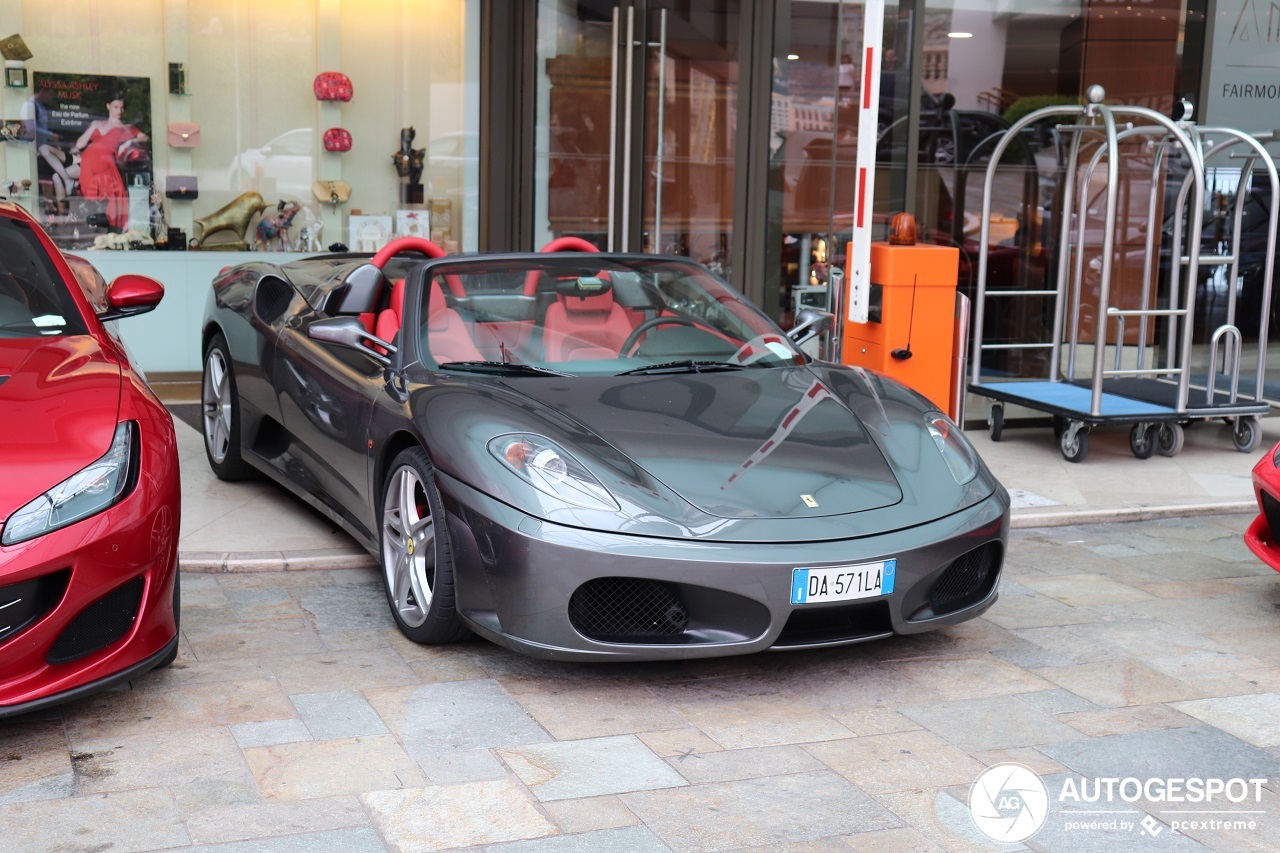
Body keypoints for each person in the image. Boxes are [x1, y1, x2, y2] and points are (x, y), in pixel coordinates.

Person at [72, 94, 148, 231]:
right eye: (116, 107)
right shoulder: (97, 124)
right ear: (108, 106)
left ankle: (106, 231)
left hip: (106, 162)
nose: (119, 111)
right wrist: (92, 128)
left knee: (112, 197)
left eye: (121, 108)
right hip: (88, 161)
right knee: (91, 195)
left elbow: (145, 137)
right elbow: (79, 144)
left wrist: (130, 141)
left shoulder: (126, 127)